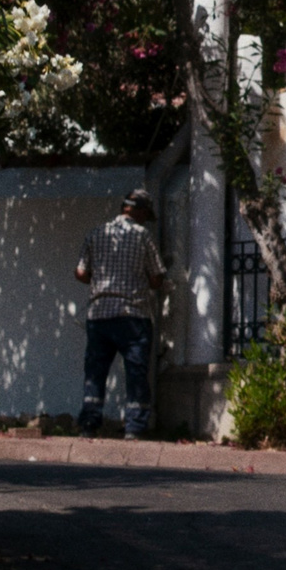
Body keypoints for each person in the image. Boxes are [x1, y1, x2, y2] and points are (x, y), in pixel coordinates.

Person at [76, 188, 167, 439]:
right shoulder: (143, 236)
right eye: (145, 214)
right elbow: (157, 277)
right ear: (138, 211)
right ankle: (135, 428)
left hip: (99, 315)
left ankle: (89, 424)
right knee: (136, 372)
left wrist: (103, 283)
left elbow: (81, 273)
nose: (144, 219)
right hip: (133, 315)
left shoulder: (97, 233)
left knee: (95, 372)